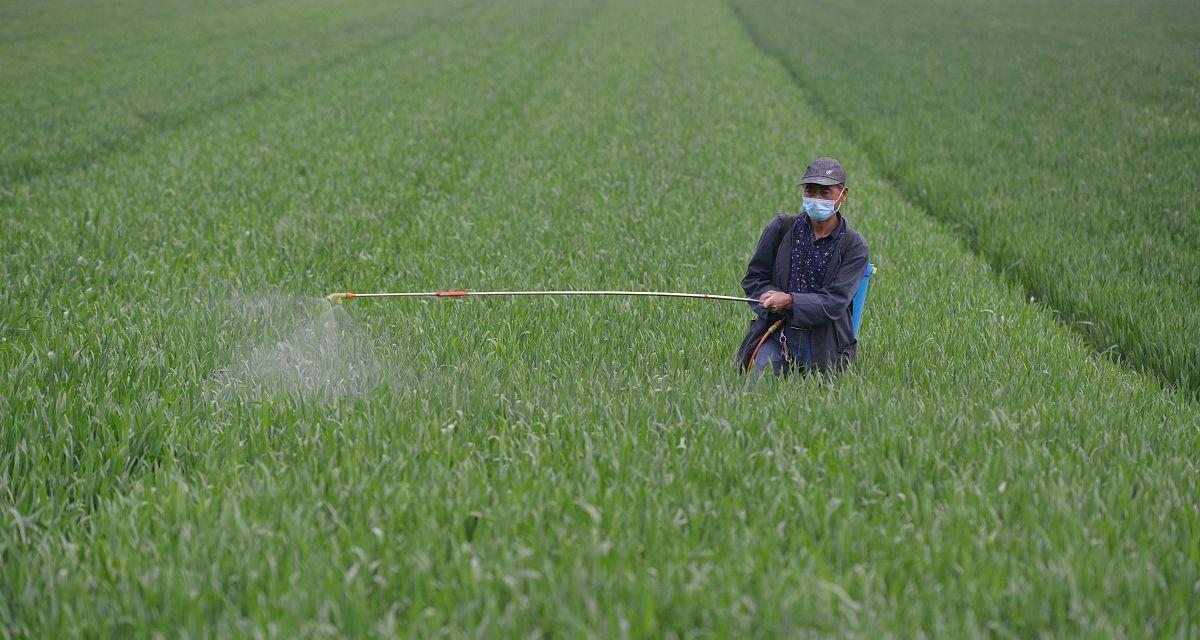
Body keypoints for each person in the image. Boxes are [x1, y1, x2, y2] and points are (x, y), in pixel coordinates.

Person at [734, 157, 870, 379]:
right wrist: (768, 296)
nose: (816, 199)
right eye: (810, 191)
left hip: (825, 346)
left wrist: (789, 300)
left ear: (843, 195)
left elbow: (835, 301)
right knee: (759, 389)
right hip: (777, 335)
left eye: (825, 193)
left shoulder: (854, 246)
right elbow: (754, 278)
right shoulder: (781, 229)